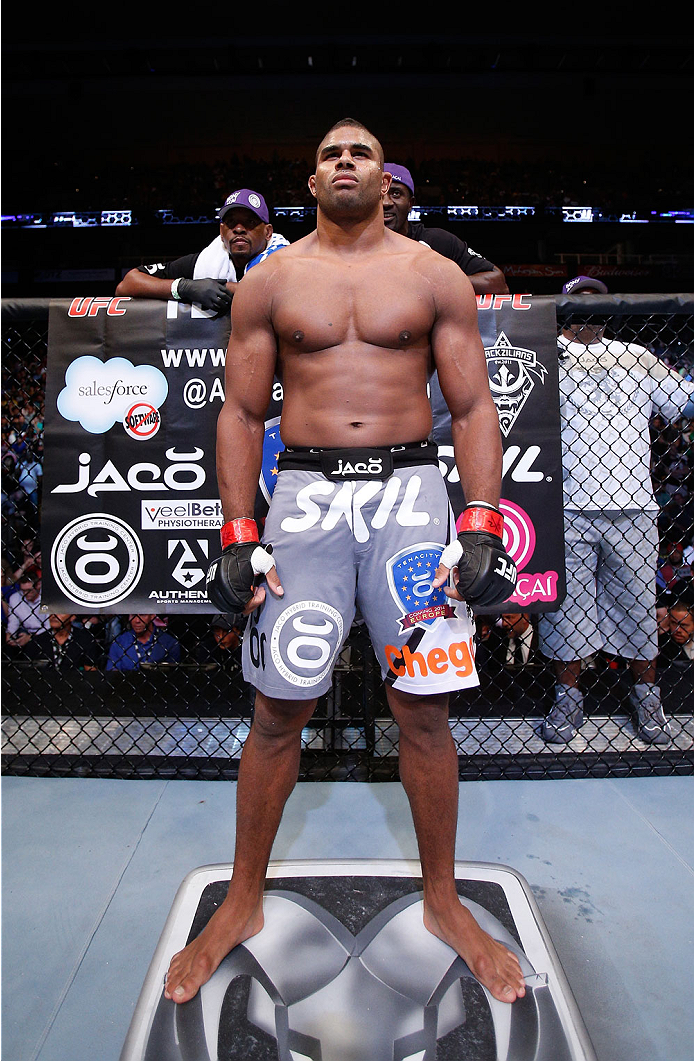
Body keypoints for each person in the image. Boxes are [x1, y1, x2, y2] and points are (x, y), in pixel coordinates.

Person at [164, 118, 523, 1008]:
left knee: (424, 709)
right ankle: (242, 899)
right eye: (331, 154)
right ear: (312, 181)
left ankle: (443, 900)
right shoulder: (272, 280)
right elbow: (241, 415)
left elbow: (474, 404)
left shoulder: (433, 274)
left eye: (361, 151)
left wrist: (478, 523)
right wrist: (238, 533)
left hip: (409, 497)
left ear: (386, 175)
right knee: (276, 708)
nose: (347, 162)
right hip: (308, 503)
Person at [539, 276, 694, 746]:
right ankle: (568, 699)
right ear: (562, 308)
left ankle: (648, 695)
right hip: (564, 505)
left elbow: (681, 404)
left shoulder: (636, 355)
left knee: (638, 608)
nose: (588, 308)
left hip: (633, 504)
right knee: (567, 610)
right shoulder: (543, 356)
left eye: (597, 300)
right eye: (578, 300)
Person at [115, 189, 289, 314]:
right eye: (231, 222)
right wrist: (184, 287)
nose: (239, 229)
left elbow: (276, 293)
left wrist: (227, 289)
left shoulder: (285, 257)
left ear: (268, 232)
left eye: (250, 222)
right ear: (222, 232)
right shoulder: (207, 260)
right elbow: (127, 284)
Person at [383, 164, 508, 294]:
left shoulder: (437, 241)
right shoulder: (359, 245)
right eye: (379, 194)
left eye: (396, 193)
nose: (386, 203)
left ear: (410, 203)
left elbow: (497, 283)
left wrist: (435, 283)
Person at [105, 613, 181, 671]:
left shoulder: (169, 643)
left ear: (152, 616)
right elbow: (113, 674)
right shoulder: (119, 643)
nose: (137, 620)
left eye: (142, 615)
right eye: (133, 615)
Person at [24, 613, 100, 670]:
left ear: (73, 616)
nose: (54, 615)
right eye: (51, 611)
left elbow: (91, 673)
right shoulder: (37, 641)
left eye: (60, 612)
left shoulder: (85, 640)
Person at [5, 567, 50, 650]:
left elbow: (49, 625)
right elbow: (13, 621)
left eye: (29, 590)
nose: (26, 593)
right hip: (25, 630)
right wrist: (10, 634)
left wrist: (30, 638)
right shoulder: (15, 598)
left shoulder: (48, 597)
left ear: (38, 585)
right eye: (23, 590)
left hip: (45, 632)